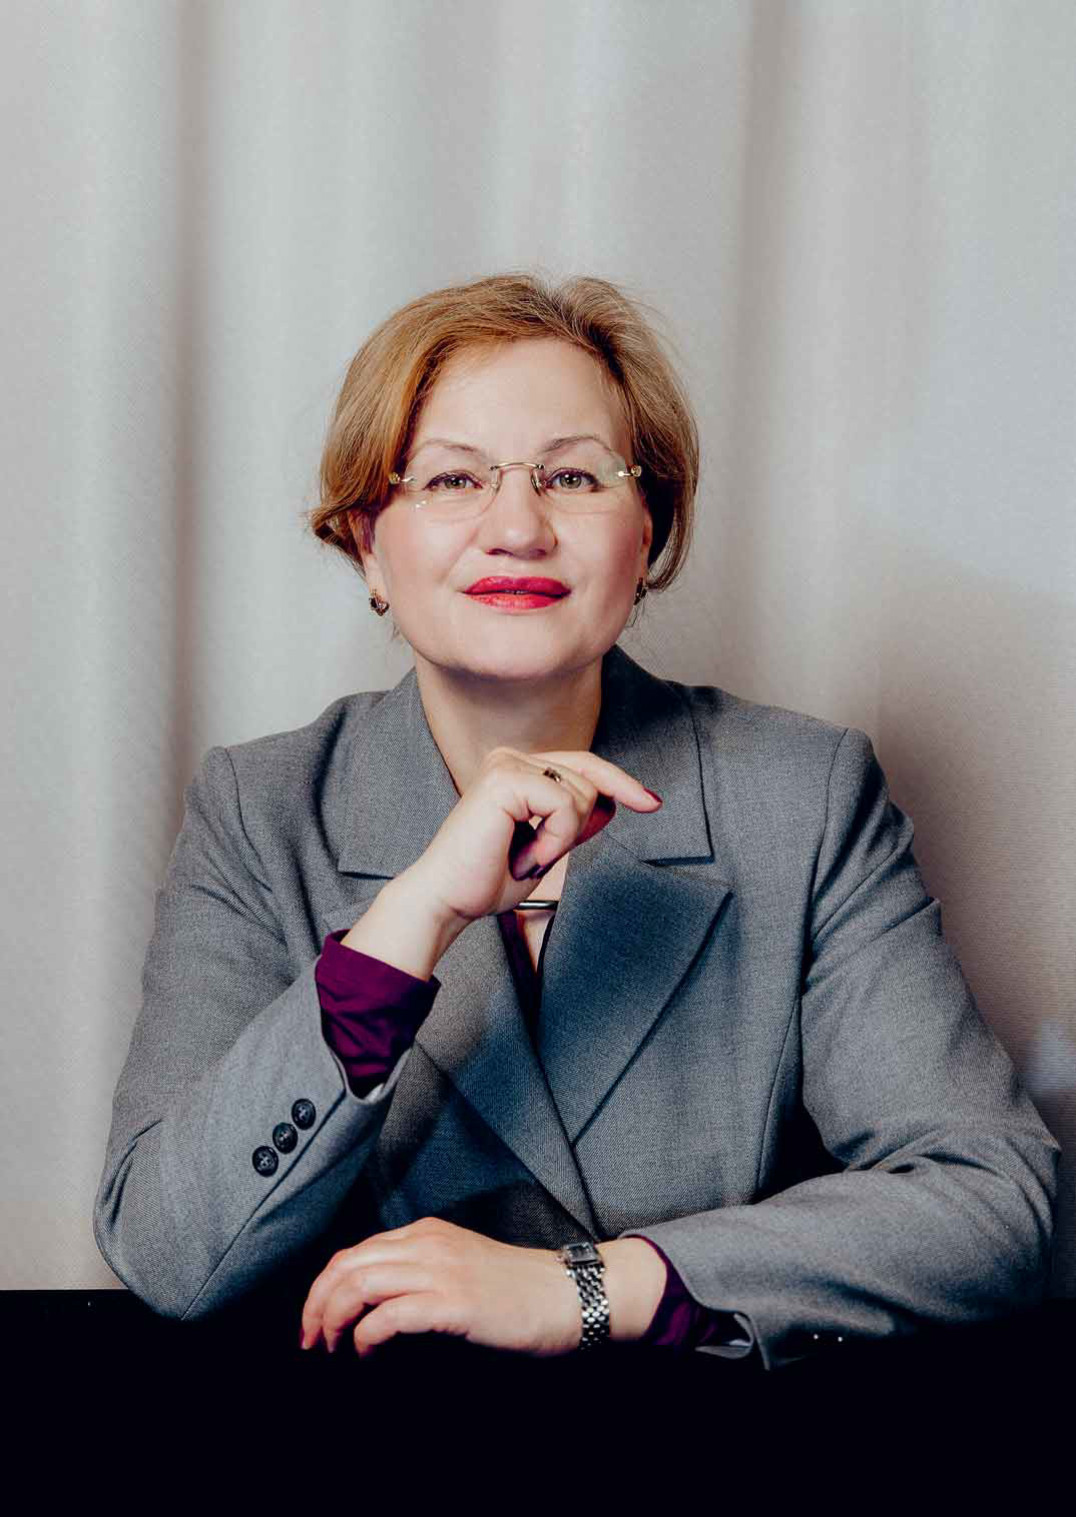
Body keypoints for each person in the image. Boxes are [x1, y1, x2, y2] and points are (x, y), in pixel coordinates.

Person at [94, 272, 1059, 1372]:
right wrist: (412, 918)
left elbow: (992, 1199)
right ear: (368, 543)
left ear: (646, 533)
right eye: (452, 478)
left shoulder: (803, 792)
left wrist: (592, 1285)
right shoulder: (260, 807)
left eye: (571, 475)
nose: (516, 527)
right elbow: (166, 1250)